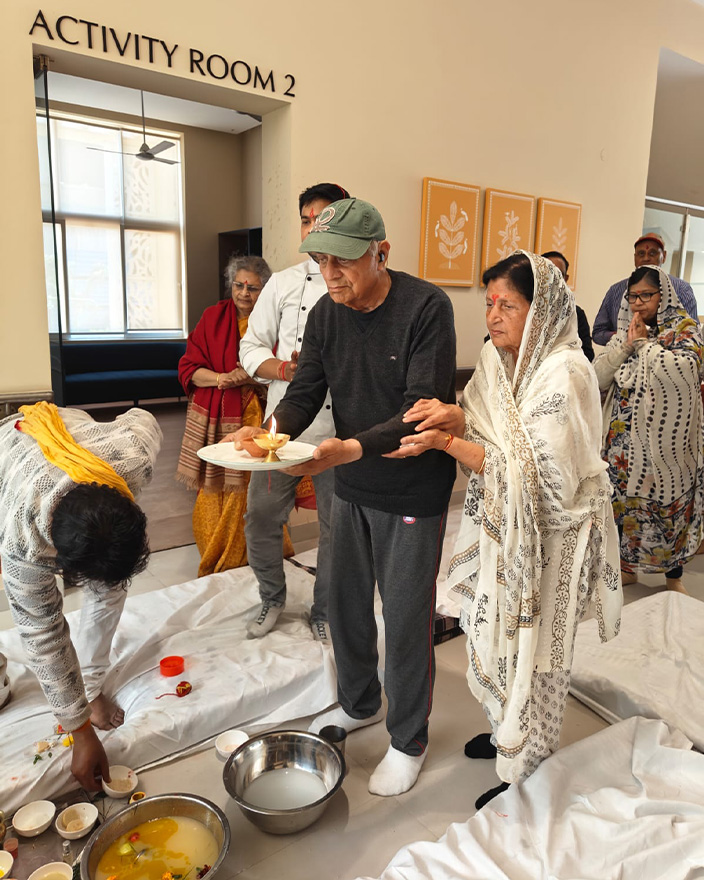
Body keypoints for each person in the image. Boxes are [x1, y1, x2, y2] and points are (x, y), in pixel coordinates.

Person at [233, 197, 457, 796]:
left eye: (344, 261)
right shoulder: (326, 314)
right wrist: (269, 432)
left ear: (381, 253)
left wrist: (349, 448)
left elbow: (419, 411)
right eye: (321, 260)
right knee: (346, 606)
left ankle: (408, 740)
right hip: (353, 480)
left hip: (411, 486)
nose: (330, 274)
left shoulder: (425, 308)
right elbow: (305, 392)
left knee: (404, 618)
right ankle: (360, 703)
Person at [394, 252, 622, 810]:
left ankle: (530, 766)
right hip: (506, 530)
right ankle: (504, 732)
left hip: (553, 540)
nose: (493, 315)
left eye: (509, 305)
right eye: (489, 303)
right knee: (495, 634)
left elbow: (540, 477)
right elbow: (484, 423)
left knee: (537, 655)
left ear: (539, 311)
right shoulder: (499, 360)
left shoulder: (565, 372)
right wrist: (454, 419)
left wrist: (447, 442)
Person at [0, 401, 161, 789]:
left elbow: (145, 417)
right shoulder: (24, 544)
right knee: (24, 603)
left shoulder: (133, 456)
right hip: (8, 463)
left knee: (112, 588)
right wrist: (81, 731)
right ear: (57, 561)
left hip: (74, 433)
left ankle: (91, 687)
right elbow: (43, 633)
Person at [239, 183, 350, 641]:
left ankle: (325, 609)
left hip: (340, 433)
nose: (312, 229)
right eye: (306, 220)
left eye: (322, 220)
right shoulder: (284, 283)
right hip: (282, 428)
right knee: (261, 518)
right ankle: (271, 597)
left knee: (336, 529)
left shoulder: (354, 283)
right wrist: (287, 368)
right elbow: (250, 347)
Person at [593, 264, 704, 593]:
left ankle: (673, 577)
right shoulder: (626, 328)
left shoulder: (684, 329)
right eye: (633, 296)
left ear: (663, 295)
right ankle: (626, 567)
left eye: (646, 295)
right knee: (622, 506)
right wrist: (627, 346)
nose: (638, 303)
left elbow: (685, 369)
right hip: (622, 442)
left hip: (667, 446)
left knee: (668, 512)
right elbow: (598, 376)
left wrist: (644, 345)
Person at [176, 255, 273, 577]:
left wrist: (249, 375)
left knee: (250, 489)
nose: (244, 293)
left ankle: (249, 559)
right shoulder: (213, 317)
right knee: (213, 486)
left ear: (264, 290)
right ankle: (216, 555)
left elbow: (283, 371)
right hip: (214, 418)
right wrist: (222, 378)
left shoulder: (272, 321)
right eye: (239, 285)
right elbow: (188, 368)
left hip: (254, 418)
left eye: (253, 288)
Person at [592, 234, 699, 345]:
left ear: (664, 256)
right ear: (635, 258)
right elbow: (598, 333)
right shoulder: (616, 290)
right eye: (641, 253)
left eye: (652, 253)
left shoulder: (681, 289)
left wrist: (651, 339)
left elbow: (693, 334)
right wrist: (622, 336)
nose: (646, 258)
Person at [541, 250, 594, 361]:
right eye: (549, 273)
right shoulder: (525, 309)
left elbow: (587, 354)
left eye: (559, 274)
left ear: (565, 279)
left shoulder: (576, 313)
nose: (554, 279)